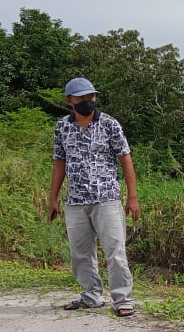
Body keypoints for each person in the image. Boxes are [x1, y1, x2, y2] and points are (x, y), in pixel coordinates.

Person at [48, 77, 140, 316]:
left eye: (90, 97)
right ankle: (91, 296)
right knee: (80, 254)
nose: (87, 101)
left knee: (116, 250)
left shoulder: (109, 124)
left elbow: (125, 159)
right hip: (76, 201)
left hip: (106, 198)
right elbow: (59, 162)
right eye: (81, 98)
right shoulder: (62, 127)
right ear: (69, 101)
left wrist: (132, 197)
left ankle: (122, 299)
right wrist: (53, 198)